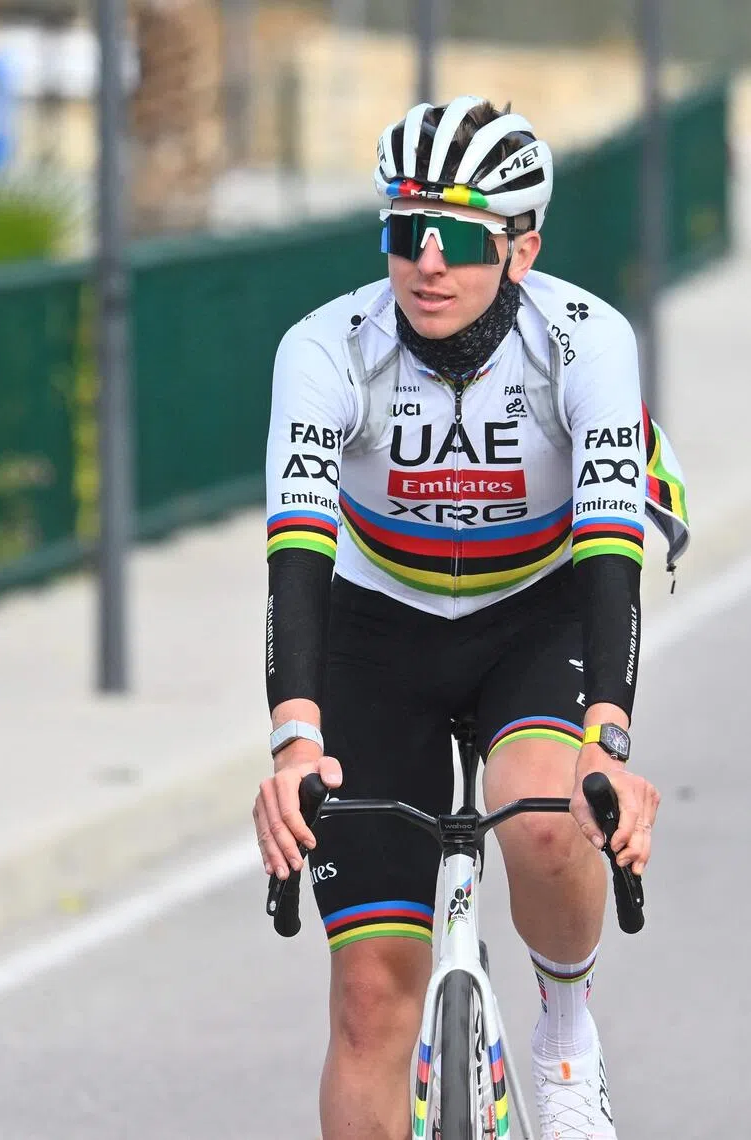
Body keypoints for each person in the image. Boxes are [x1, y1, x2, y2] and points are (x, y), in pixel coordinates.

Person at [253, 96, 689, 1140]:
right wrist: (293, 742)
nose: (428, 265)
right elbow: (296, 552)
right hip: (376, 625)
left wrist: (610, 740)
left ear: (522, 248)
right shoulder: (327, 349)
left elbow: (610, 551)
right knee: (369, 1002)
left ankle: (568, 1034)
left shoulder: (586, 341)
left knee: (546, 819)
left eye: (458, 239)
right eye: (407, 234)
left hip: (534, 617)